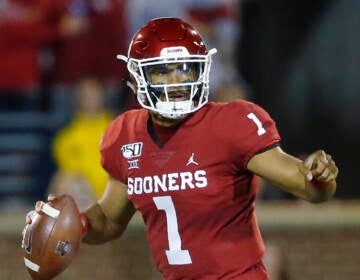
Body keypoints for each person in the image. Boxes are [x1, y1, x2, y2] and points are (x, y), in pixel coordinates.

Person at [25, 17, 338, 280]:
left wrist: (318, 176)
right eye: (163, 70)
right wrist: (76, 224)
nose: (176, 80)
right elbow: (109, 219)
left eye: (184, 69)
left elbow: (307, 187)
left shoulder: (231, 123)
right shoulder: (125, 135)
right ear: (138, 76)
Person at [48, 77, 113, 210]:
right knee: (64, 180)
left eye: (94, 93)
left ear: (102, 96)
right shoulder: (66, 138)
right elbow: (70, 172)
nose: (90, 99)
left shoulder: (118, 128)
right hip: (87, 196)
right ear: (78, 99)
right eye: (86, 95)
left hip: (116, 190)